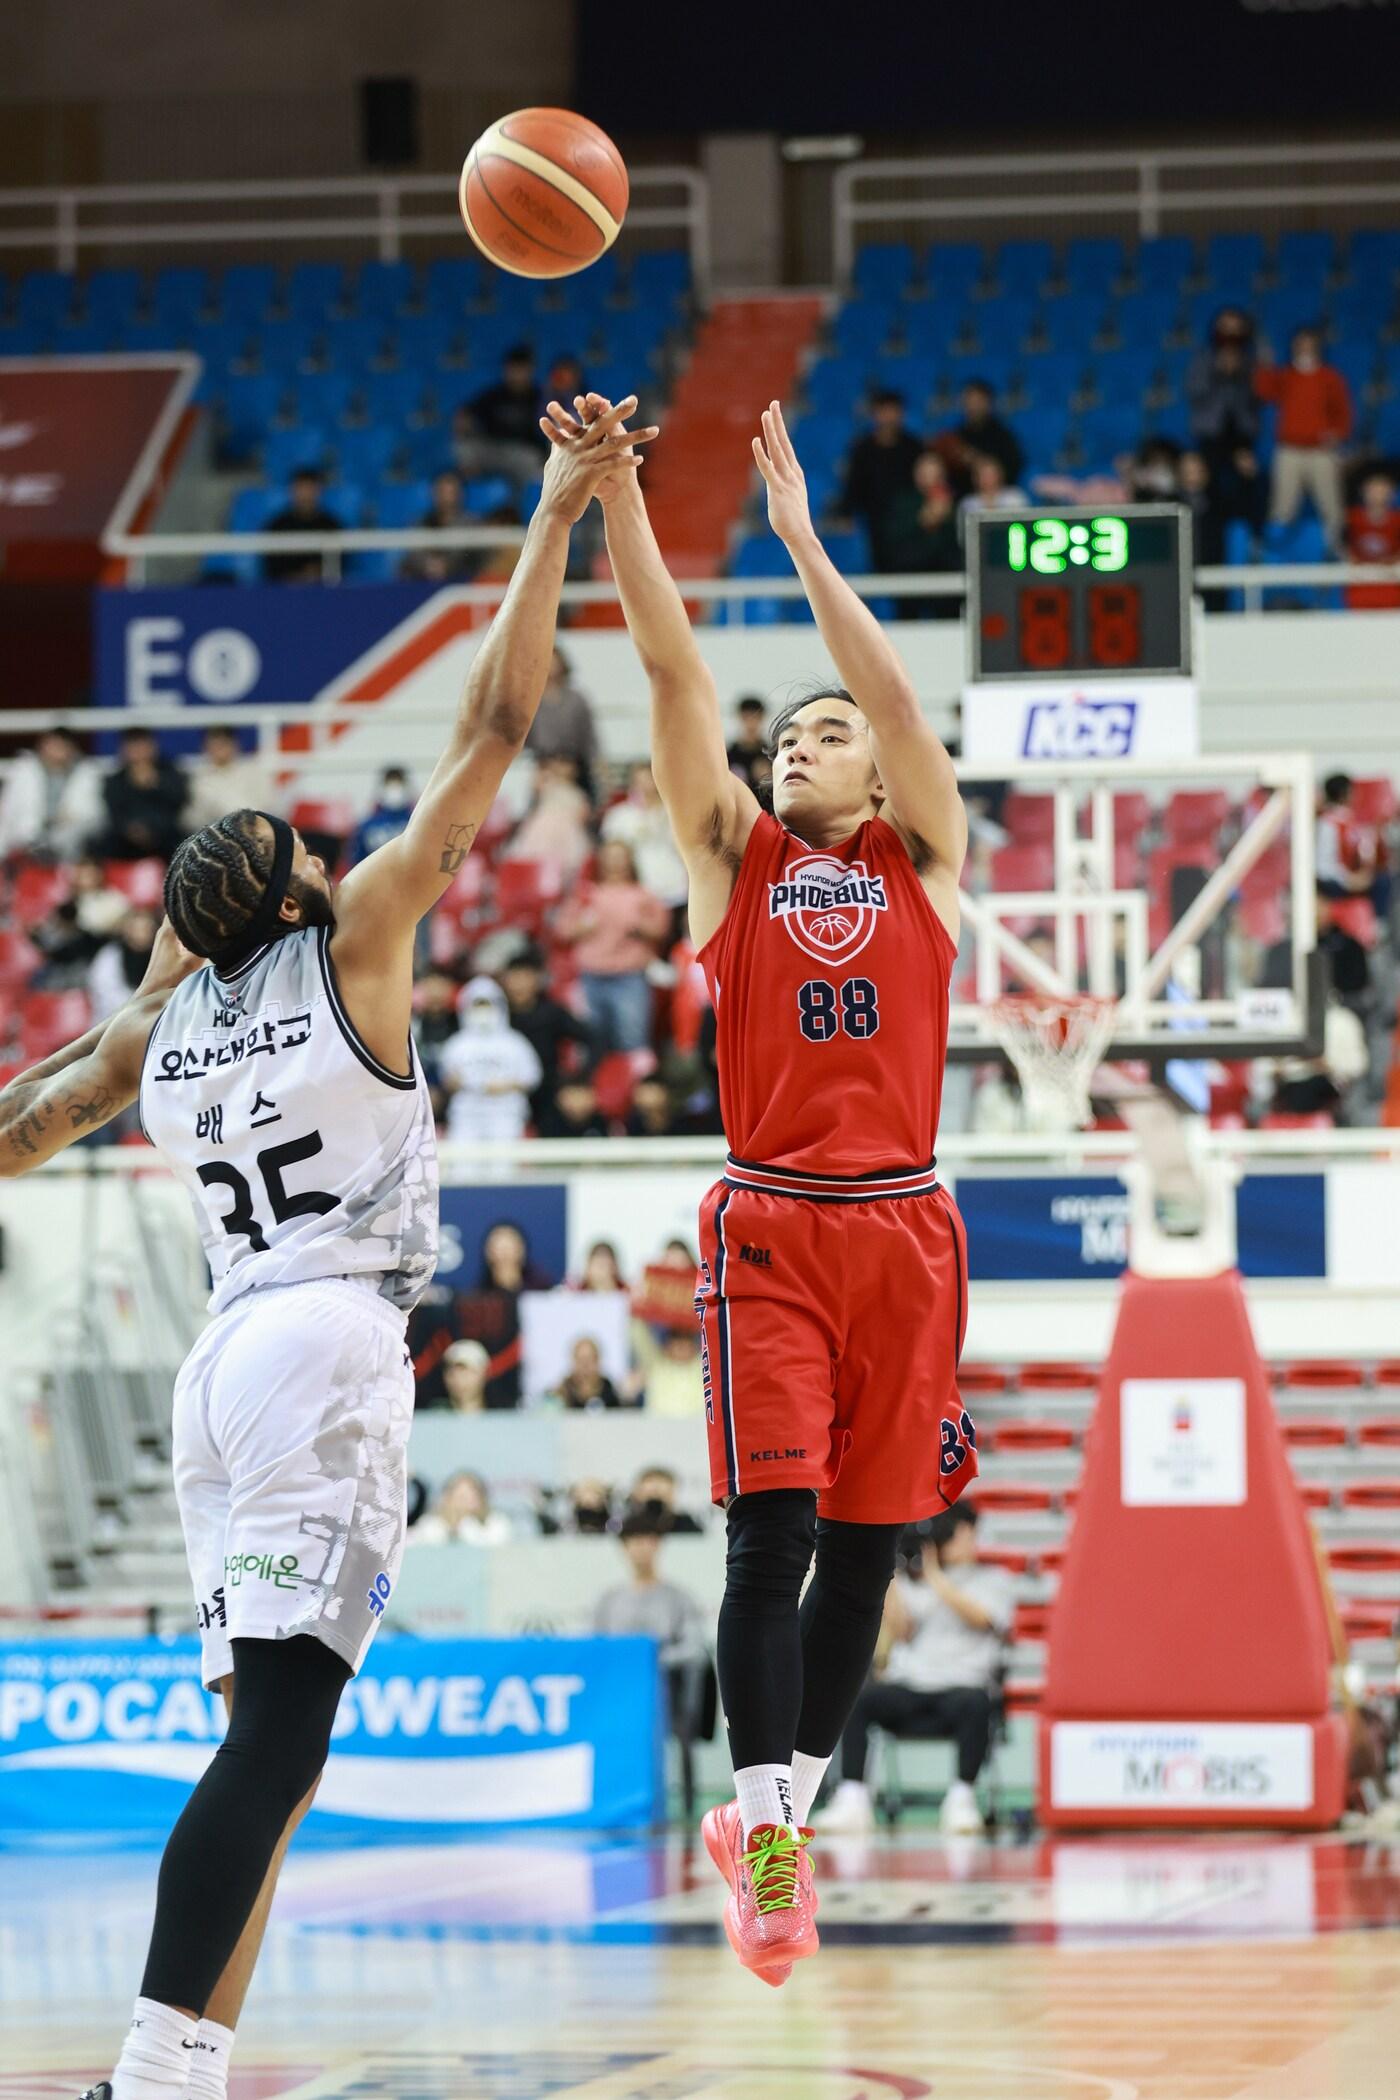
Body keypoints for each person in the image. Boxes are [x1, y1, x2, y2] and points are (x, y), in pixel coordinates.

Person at [0, 392, 648, 2100]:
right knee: (281, 1742)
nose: (327, 845)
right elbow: (503, 717)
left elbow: (27, 1118)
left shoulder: (155, 1031)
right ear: (293, 898)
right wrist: (557, 511)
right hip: (325, 1347)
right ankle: (144, 2066)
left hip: (218, 1370)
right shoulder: (355, 939)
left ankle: (189, 2061)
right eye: (304, 845)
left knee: (264, 1748)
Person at [583, 389, 975, 1983]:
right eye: (783, 733)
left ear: (877, 774)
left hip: (914, 1225)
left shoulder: (924, 856)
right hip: (774, 1224)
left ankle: (775, 1813)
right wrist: (617, 499)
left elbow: (891, 691)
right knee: (775, 1540)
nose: (790, 741)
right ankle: (773, 1837)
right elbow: (675, 669)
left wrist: (808, 542)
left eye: (822, 733)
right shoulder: (729, 857)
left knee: (874, 1552)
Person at [817, 1503, 1012, 1838]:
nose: (960, 1540)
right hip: (911, 1686)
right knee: (859, 1699)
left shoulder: (993, 1580)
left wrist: (936, 1576)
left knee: (978, 1703)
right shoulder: (913, 1582)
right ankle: (852, 1797)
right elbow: (901, 1628)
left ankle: (962, 1799)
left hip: (961, 1690)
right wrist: (888, 1570)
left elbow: (982, 1618)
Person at [558, 838, 669, 1054]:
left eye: (620, 857)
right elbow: (563, 929)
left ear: (630, 861)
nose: (615, 863)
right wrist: (582, 926)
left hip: (629, 976)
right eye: (610, 857)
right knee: (590, 1042)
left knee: (632, 1040)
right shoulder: (586, 894)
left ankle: (637, 1085)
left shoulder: (643, 895)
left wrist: (639, 927)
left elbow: (660, 930)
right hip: (591, 975)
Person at [1255, 325, 1352, 551]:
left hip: (1321, 451)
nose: (1305, 348)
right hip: (1289, 450)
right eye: (1300, 344)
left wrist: (1338, 434)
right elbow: (1265, 392)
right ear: (1293, 347)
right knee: (1282, 507)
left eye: (1309, 344)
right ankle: (1275, 554)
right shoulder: (1286, 375)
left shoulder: (1330, 377)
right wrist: (1265, 366)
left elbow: (1343, 411)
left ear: (1317, 347)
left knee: (1332, 506)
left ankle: (1337, 552)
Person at [1186, 308, 1267, 555]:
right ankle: (1208, 543)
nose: (1230, 333)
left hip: (1241, 437)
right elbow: (1194, 392)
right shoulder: (1203, 359)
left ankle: (1254, 542)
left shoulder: (1252, 362)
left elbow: (1261, 395)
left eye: (1236, 328)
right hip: (1211, 437)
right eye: (1225, 327)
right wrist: (1219, 371)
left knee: (1250, 484)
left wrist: (1245, 371)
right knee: (1208, 496)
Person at [498, 944, 599, 1128]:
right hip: (506, 1091)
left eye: (525, 976)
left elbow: (593, 1038)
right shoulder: (496, 1016)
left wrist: (578, 1078)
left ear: (537, 979)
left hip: (547, 1090)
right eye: (514, 976)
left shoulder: (551, 1012)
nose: (519, 983)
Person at [593, 1507, 707, 1663]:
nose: (643, 1548)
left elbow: (694, 1647)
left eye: (649, 1541)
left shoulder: (679, 1598)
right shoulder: (609, 1600)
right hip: (619, 1678)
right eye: (636, 1542)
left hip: (666, 1680)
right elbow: (595, 1646)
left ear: (658, 1545)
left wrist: (652, 1660)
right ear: (624, 1547)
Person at [438, 975, 543, 1143]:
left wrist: (507, 1085)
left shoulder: (515, 1042)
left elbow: (532, 1077)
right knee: (463, 1166)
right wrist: (459, 1082)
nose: (483, 1011)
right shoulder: (457, 1044)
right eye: (478, 1006)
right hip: (467, 1115)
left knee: (502, 1167)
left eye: (487, 1005)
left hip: (505, 1113)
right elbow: (447, 1079)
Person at [837, 389, 924, 572]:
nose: (889, 417)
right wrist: (846, 513)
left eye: (893, 411)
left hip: (909, 521)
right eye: (884, 411)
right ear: (875, 415)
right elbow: (853, 484)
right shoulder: (862, 449)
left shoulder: (914, 448)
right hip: (873, 521)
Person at [453, 342, 549, 494]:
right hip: (493, 449)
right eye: (513, 369)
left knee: (532, 463)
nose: (517, 374)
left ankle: (527, 504)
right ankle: (473, 494)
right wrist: (465, 424)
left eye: (521, 369)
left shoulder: (540, 397)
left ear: (530, 370)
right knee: (464, 448)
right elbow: (465, 414)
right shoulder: (494, 394)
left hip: (523, 453)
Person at [0, 728, 103, 862]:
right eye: (52, 745)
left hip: (69, 847)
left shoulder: (86, 773)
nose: (56, 751)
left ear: (72, 749)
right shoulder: (23, 771)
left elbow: (93, 815)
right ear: (42, 746)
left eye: (61, 746)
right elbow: (8, 811)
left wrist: (67, 821)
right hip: (23, 844)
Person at [600, 763, 689, 909]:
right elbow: (611, 854)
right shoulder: (619, 815)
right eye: (639, 781)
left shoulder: (675, 813)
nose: (645, 786)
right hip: (636, 889)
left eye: (649, 779)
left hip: (675, 886)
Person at [96, 728, 189, 863]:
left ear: (153, 747)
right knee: (101, 843)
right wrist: (131, 830)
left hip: (164, 834)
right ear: (123, 749)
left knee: (184, 842)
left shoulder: (171, 773)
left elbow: (179, 802)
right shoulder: (115, 780)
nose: (138, 752)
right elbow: (114, 812)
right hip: (126, 836)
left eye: (142, 745)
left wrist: (157, 784)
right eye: (133, 746)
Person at [502, 750, 593, 880]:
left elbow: (584, 814)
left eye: (568, 764)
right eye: (559, 762)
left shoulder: (577, 793)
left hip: (568, 835)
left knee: (567, 867)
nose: (563, 768)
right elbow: (535, 786)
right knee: (537, 861)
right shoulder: (546, 782)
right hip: (542, 831)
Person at [523, 645, 600, 796]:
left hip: (575, 766)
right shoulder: (532, 700)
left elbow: (588, 736)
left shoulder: (576, 699)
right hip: (543, 765)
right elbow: (526, 738)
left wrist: (578, 765)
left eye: (554, 660)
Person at [185, 728, 275, 835]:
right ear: (205, 747)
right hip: (212, 836)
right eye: (214, 745)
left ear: (235, 745)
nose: (219, 749)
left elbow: (267, 805)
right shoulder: (198, 776)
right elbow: (192, 818)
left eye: (224, 744)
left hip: (255, 832)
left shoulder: (253, 771)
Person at [262, 467, 343, 585]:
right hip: (284, 591)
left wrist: (316, 572)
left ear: (318, 490)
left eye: (310, 488)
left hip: (322, 590)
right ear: (292, 491)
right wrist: (297, 576)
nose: (305, 494)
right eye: (301, 488)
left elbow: (340, 564)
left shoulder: (331, 525)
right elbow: (272, 566)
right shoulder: (277, 526)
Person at [945, 379, 1025, 493]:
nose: (972, 407)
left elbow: (1013, 468)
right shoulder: (956, 435)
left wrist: (977, 460)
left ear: (988, 403)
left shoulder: (1003, 436)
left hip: (999, 496)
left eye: (977, 401)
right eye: (968, 401)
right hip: (965, 497)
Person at [400, 469, 478, 584]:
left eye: (451, 492)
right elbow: (413, 553)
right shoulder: (420, 522)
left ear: (460, 494)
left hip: (461, 583)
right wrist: (427, 564)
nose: (447, 498)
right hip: (424, 581)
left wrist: (447, 564)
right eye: (442, 491)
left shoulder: (472, 524)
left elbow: (472, 557)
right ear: (434, 493)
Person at [410, 1468, 512, 1545]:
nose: (463, 1505)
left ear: (482, 1500)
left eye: (470, 1498)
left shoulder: (496, 1525)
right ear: (446, 1499)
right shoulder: (429, 1526)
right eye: (460, 1497)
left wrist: (467, 1526)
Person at [1344, 470, 1400, 611]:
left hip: (1390, 584)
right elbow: (1342, 547)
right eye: (1374, 489)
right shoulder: (1352, 518)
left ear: (1391, 492)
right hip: (1360, 585)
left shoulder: (1397, 520)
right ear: (1364, 492)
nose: (1378, 494)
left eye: (1382, 489)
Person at [350, 769, 415, 864]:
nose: (395, 791)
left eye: (398, 785)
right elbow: (356, 860)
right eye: (391, 786)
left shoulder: (416, 823)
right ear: (383, 788)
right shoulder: (368, 826)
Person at [627, 1462, 704, 1535]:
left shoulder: (687, 1524)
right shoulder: (627, 1525)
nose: (655, 1506)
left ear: (672, 1495)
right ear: (637, 1494)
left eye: (662, 1496)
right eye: (651, 1495)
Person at [556, 1333, 626, 1409]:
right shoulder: (563, 1392)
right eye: (581, 1360)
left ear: (598, 1361)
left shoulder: (610, 1391)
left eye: (589, 1360)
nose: (585, 1366)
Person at [535, 1074, 610, 1138]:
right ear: (560, 1098)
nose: (577, 1103)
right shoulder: (549, 1125)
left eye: (581, 1097)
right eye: (573, 1096)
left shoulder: (601, 1123)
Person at [726, 695, 770, 793]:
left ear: (762, 718)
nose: (751, 723)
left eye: (755, 718)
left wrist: (768, 780)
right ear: (739, 718)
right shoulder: (728, 756)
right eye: (747, 717)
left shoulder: (771, 755)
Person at [437, 1336, 491, 1413]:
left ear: (484, 1374)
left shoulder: (504, 1416)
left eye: (466, 1373)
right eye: (451, 1374)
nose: (458, 1380)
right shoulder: (434, 1416)